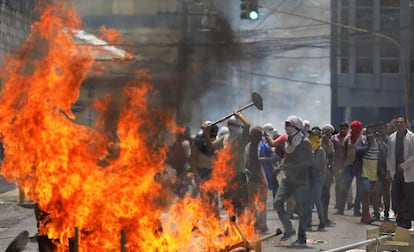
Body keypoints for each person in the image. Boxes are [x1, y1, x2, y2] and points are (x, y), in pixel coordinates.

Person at [273, 115, 312, 247]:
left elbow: (310, 161)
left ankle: (302, 238)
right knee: (277, 203)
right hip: (287, 179)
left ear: (297, 127)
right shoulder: (288, 141)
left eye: (289, 125)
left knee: (301, 210)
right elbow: (287, 157)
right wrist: (280, 167)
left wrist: (295, 166)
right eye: (286, 125)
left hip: (300, 181)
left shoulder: (305, 142)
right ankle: (289, 229)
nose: (287, 128)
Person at [219, 111, 250, 217]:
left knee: (240, 206)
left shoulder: (241, 139)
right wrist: (206, 132)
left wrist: (239, 115)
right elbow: (211, 144)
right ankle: (233, 230)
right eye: (230, 125)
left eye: (234, 125)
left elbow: (248, 125)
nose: (232, 127)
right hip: (227, 176)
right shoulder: (225, 138)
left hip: (238, 174)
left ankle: (241, 229)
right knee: (230, 206)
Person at [386, 116, 414, 229]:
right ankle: (399, 218)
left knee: (408, 197)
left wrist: (403, 166)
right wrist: (388, 171)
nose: (399, 124)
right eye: (397, 122)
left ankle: (406, 221)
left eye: (401, 122)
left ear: (406, 123)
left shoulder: (412, 137)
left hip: (408, 171)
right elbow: (389, 156)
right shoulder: (392, 138)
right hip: (395, 173)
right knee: (397, 196)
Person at [190, 122, 220, 216]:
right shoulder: (197, 143)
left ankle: (214, 221)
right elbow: (193, 160)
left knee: (214, 200)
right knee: (202, 200)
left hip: (212, 173)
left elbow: (212, 150)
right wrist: (196, 174)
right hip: (201, 172)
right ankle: (198, 223)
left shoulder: (216, 142)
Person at [336, 120, 363, 216]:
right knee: (344, 187)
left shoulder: (362, 139)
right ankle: (341, 209)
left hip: (360, 166)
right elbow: (344, 153)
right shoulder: (348, 138)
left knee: (360, 189)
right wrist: (342, 166)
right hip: (349, 165)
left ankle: (357, 209)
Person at [245, 126, 269, 233]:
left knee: (261, 202)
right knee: (250, 202)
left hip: (261, 179)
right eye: (254, 135)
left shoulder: (264, 147)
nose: (255, 137)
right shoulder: (248, 147)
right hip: (251, 178)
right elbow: (246, 161)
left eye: (257, 135)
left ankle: (262, 224)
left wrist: (264, 159)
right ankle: (254, 222)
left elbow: (276, 157)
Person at [356, 125, 380, 223]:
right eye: (369, 132)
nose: (371, 134)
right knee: (366, 194)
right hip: (364, 172)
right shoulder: (362, 141)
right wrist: (368, 144)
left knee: (375, 194)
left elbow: (382, 154)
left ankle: (376, 214)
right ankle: (365, 215)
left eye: (372, 132)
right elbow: (359, 151)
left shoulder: (378, 141)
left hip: (375, 172)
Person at [305, 127, 326, 231]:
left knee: (317, 200)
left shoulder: (321, 150)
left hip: (318, 177)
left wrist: (322, 179)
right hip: (308, 176)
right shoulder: (308, 148)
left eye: (314, 136)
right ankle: (308, 223)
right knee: (308, 202)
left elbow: (323, 166)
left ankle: (322, 221)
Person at [331, 122, 353, 210]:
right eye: (342, 128)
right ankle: (338, 202)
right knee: (338, 184)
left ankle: (349, 202)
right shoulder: (334, 138)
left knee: (348, 183)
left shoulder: (350, 138)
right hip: (337, 163)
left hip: (347, 163)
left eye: (345, 128)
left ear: (347, 129)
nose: (343, 130)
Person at [375, 122, 391, 220]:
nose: (380, 131)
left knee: (386, 192)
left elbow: (390, 151)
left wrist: (382, 143)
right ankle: (376, 212)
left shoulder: (390, 139)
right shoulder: (374, 140)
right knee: (376, 192)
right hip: (376, 169)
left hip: (386, 169)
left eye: (382, 128)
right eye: (379, 129)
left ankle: (386, 211)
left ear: (385, 129)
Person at [320, 124, 335, 226]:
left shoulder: (330, 142)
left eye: (329, 132)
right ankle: (322, 218)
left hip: (327, 171)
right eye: (325, 131)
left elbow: (331, 154)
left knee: (326, 196)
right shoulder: (319, 142)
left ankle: (324, 217)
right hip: (319, 172)